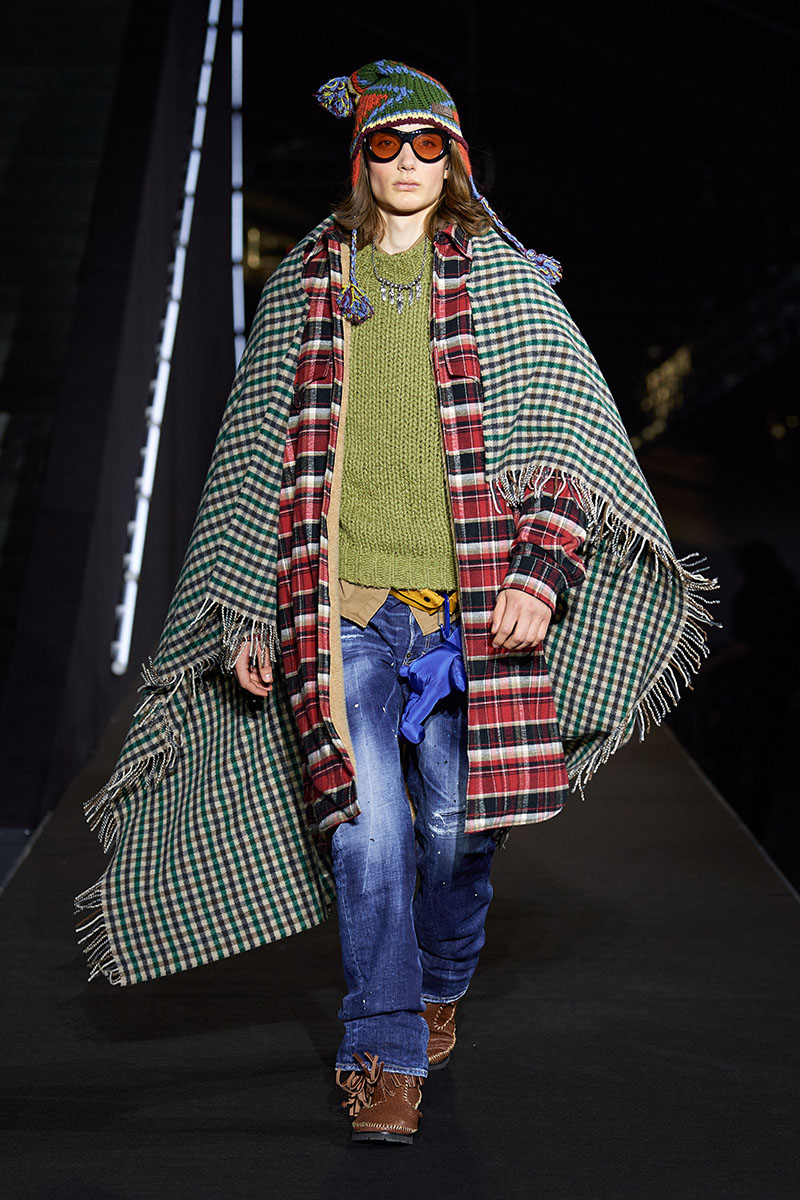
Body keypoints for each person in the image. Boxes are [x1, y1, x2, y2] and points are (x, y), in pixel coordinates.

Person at [75, 61, 717, 1146]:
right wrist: (250, 609)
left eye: (428, 145)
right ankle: (381, 1049)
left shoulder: (506, 284)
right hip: (342, 611)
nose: (408, 162)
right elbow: (255, 462)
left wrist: (539, 571)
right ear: (360, 157)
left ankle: (438, 980)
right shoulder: (304, 285)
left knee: (459, 831)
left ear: (452, 159)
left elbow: (570, 437)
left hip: (469, 615)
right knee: (365, 829)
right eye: (387, 143)